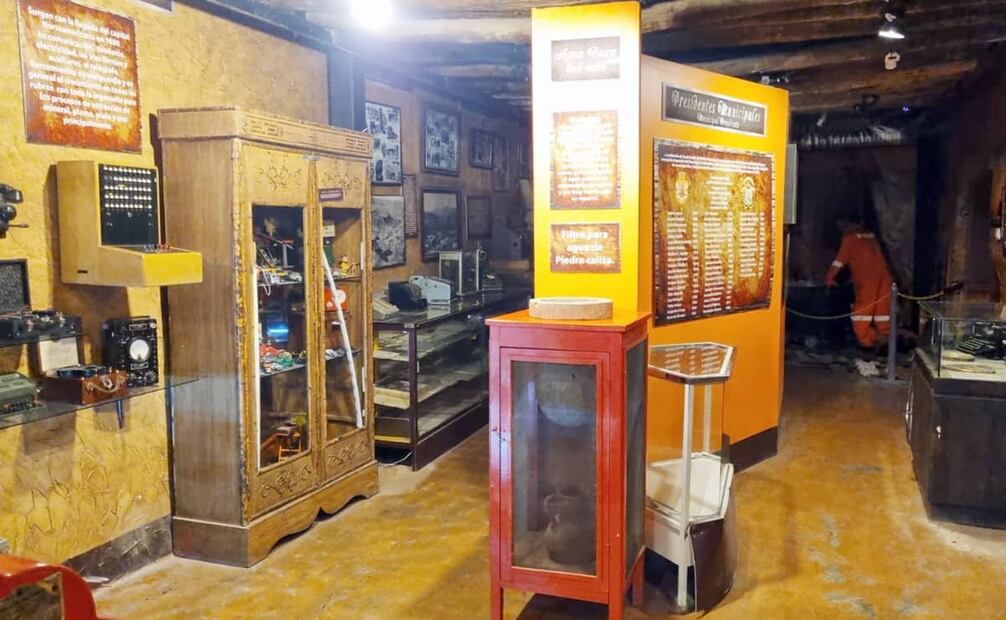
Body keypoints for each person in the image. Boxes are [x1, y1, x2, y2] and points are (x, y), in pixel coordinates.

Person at [825, 219, 893, 349]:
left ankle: (866, 341)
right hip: (885, 276)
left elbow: (840, 261)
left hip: (867, 278)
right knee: (882, 310)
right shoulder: (870, 235)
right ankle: (885, 338)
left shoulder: (849, 238)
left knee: (862, 311)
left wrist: (829, 278)